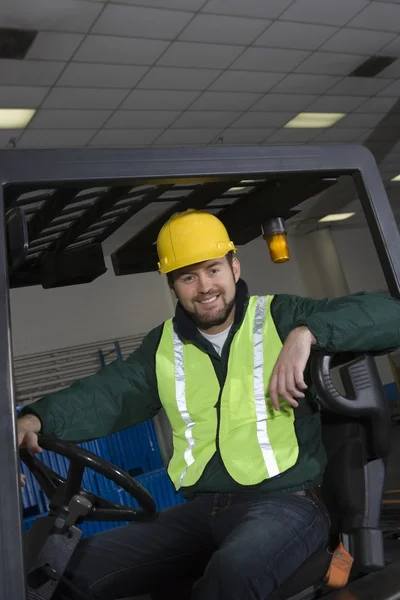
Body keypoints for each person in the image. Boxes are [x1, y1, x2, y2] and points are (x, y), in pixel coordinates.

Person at [18, 210, 400, 600]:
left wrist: (308, 332)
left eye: (213, 269)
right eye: (188, 276)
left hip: (287, 504)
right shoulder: (163, 346)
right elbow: (108, 393)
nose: (204, 287)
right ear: (174, 287)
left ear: (234, 267)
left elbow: (391, 316)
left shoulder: (280, 316)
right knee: (65, 570)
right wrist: (35, 419)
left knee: (230, 576)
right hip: (203, 511)